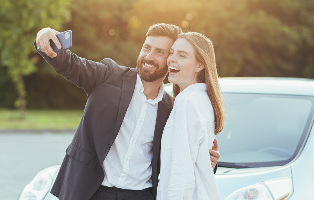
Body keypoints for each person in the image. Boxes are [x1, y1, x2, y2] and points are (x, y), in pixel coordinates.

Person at [35, 24, 220, 200]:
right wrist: (46, 34)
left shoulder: (170, 109)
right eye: (146, 47)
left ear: (170, 59)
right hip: (91, 191)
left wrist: (204, 161)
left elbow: (176, 160)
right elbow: (71, 64)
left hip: (141, 195)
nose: (149, 56)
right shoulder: (108, 77)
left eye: (160, 52)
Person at [156, 32, 224, 200]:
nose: (172, 58)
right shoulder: (201, 98)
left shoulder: (187, 101)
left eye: (182, 55)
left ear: (199, 64)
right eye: (171, 52)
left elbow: (181, 170)